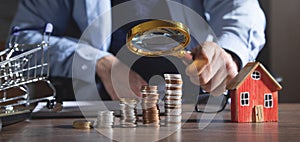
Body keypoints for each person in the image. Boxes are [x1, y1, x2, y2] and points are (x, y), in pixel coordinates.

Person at [8, 0, 266, 101]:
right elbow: (22, 40)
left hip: (198, 103)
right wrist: (97, 62)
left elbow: (241, 10)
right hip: (101, 104)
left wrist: (227, 52)